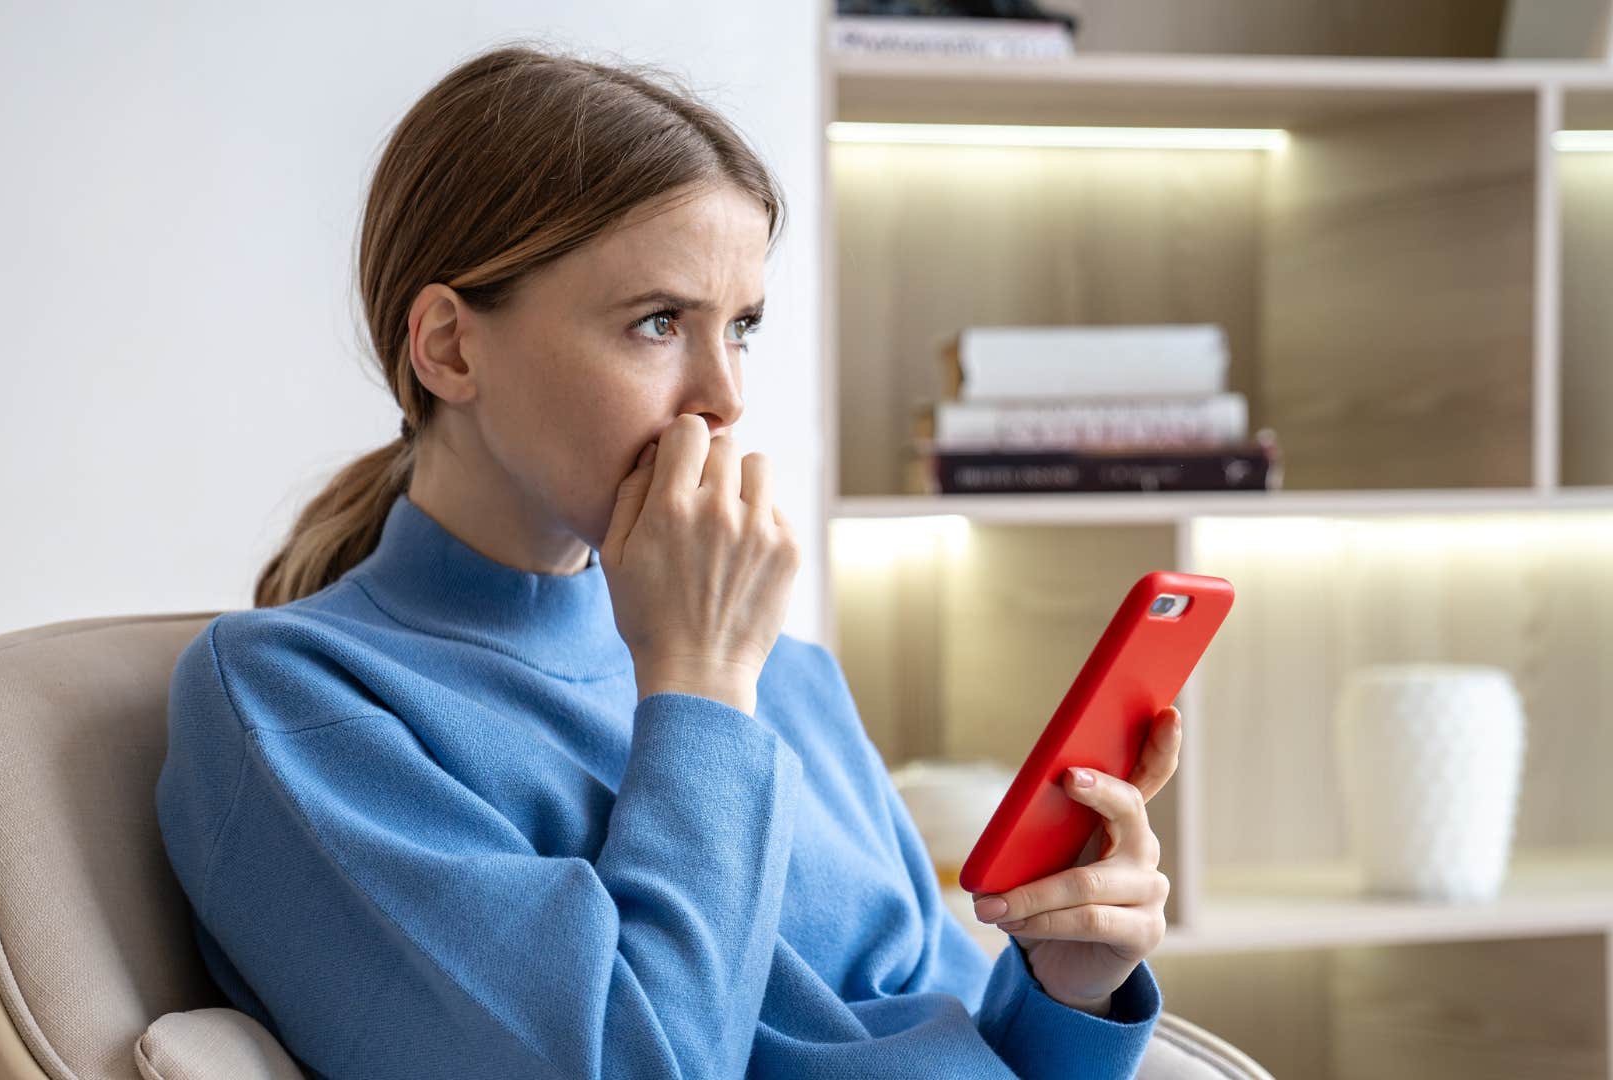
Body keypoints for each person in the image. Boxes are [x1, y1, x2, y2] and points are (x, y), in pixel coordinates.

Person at [156, 38, 1181, 1080]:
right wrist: (697, 685)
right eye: (657, 323)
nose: (725, 396)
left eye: (741, 326)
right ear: (450, 348)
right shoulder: (291, 700)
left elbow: (951, 1041)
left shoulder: (787, 676)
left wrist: (1067, 984)